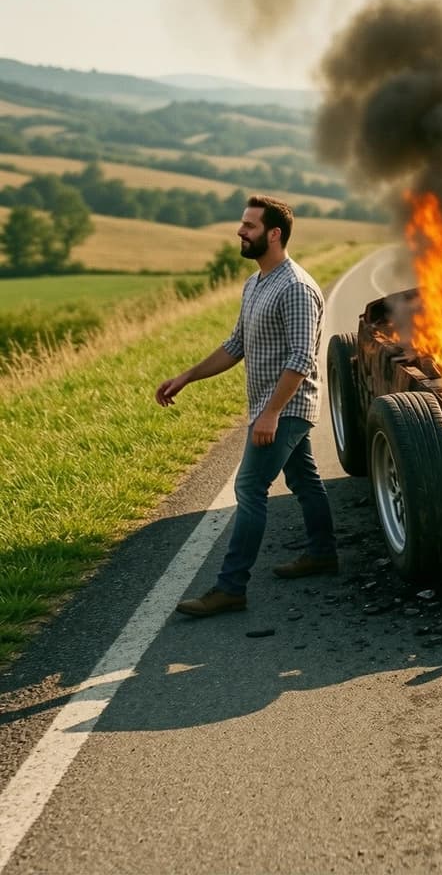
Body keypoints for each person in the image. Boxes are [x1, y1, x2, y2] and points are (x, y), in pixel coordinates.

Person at [156, 195, 338, 618]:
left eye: (249, 226)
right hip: (271, 406)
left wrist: (272, 413)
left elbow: (301, 359)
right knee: (305, 480)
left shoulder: (295, 287)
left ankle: (230, 588)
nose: (240, 231)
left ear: (274, 234)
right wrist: (186, 376)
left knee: (249, 489)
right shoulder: (256, 283)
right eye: (242, 224)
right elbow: (235, 345)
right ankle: (323, 553)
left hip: (287, 407)